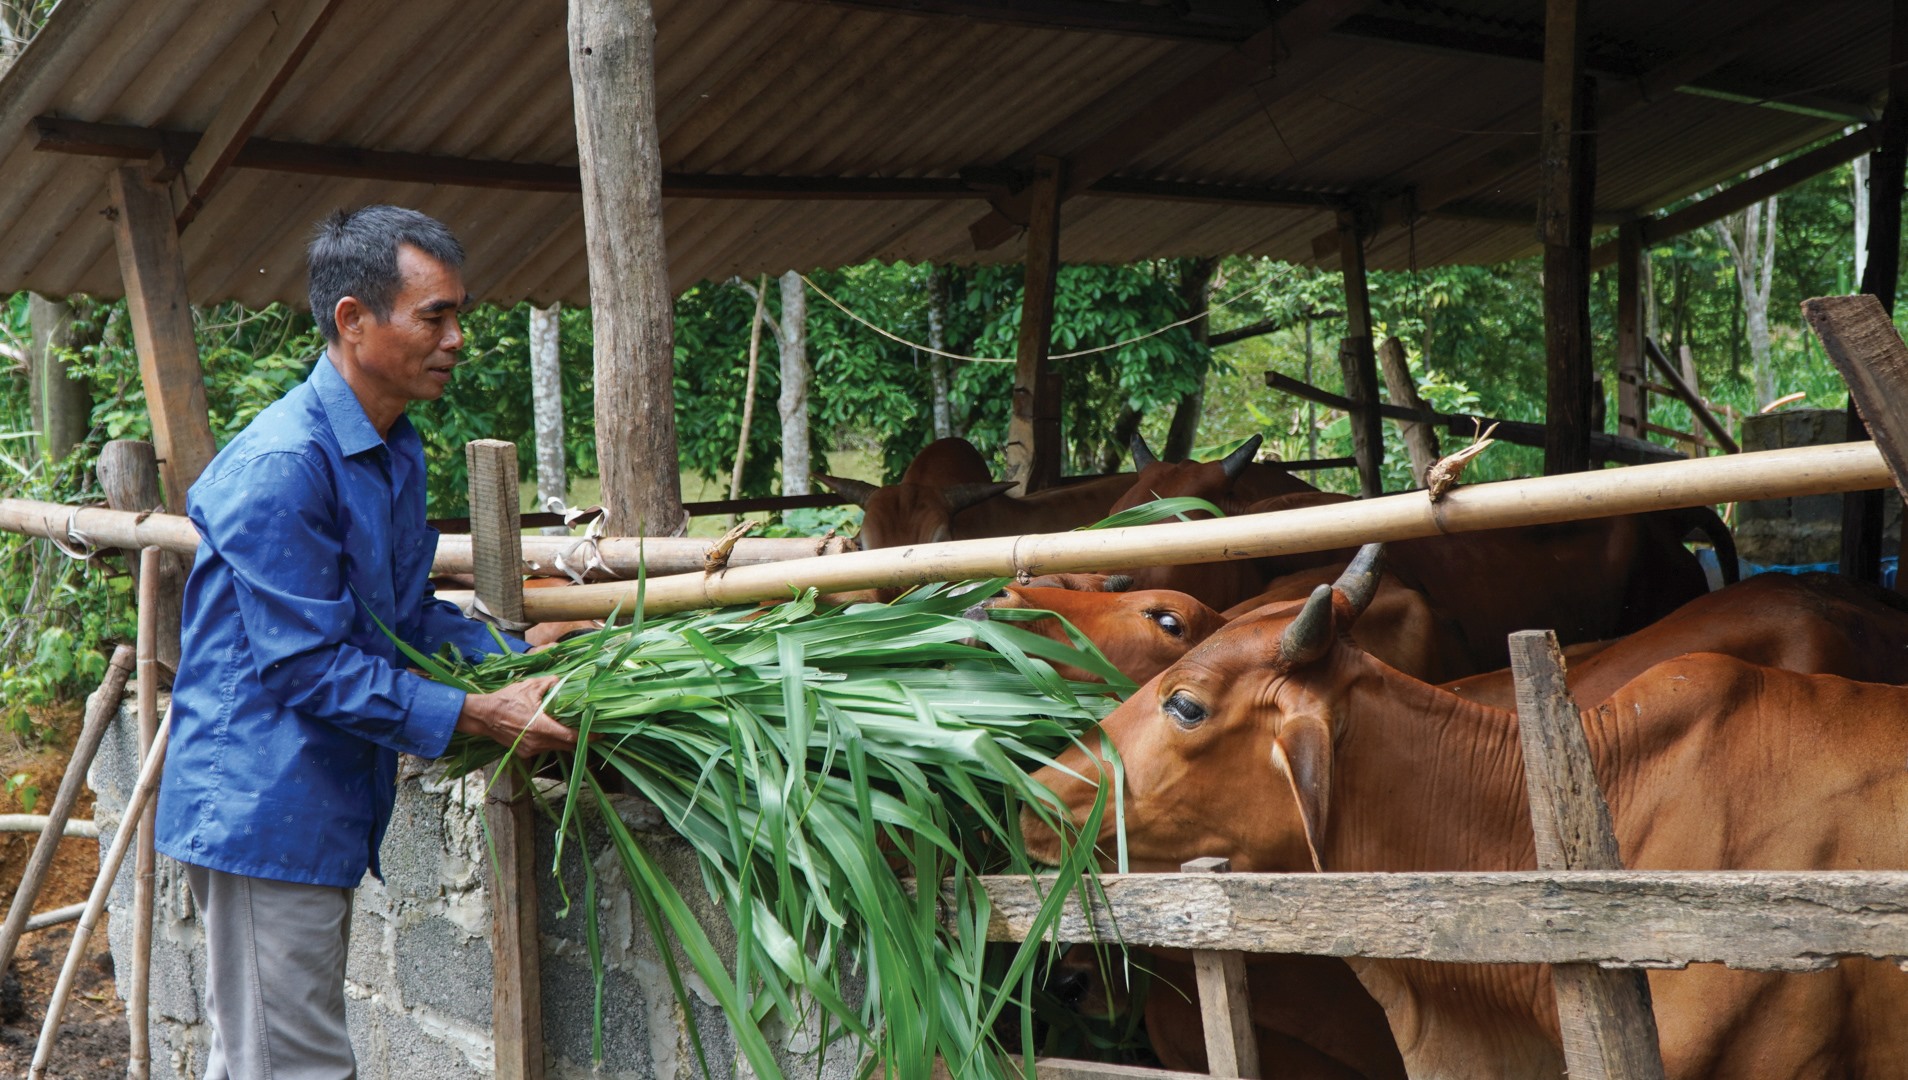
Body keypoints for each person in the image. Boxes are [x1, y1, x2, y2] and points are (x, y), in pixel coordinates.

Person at [154, 205, 575, 1079]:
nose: (458, 338)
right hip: (264, 802)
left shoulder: (392, 448)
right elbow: (308, 663)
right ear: (353, 320)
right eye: (435, 315)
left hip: (316, 797)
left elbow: (401, 619)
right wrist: (476, 712)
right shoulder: (284, 467)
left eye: (460, 314)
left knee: (266, 1058)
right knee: (293, 1066)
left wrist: (523, 657)